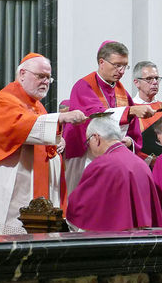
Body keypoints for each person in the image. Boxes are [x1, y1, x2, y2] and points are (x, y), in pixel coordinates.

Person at [0, 53, 86, 236]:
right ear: (22, 74)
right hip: (8, 182)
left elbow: (42, 132)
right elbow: (18, 126)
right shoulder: (3, 100)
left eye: (48, 78)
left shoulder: (37, 106)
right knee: (5, 235)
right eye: (41, 76)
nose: (45, 82)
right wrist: (60, 118)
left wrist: (58, 139)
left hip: (31, 185)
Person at [61, 41, 153, 195]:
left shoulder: (121, 91)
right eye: (117, 65)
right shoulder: (84, 86)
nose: (121, 71)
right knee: (83, 200)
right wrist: (131, 111)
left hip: (111, 156)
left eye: (125, 66)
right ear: (101, 62)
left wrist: (129, 141)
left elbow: (133, 129)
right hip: (85, 156)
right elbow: (96, 116)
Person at [66, 116, 162, 232]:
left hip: (112, 239)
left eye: (88, 142)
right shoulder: (141, 163)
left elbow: (79, 206)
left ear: (96, 138)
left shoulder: (101, 165)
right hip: (140, 239)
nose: (90, 148)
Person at [131, 60, 162, 158]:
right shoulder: (129, 110)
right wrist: (150, 160)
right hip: (139, 165)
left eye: (156, 78)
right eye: (149, 79)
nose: (155, 82)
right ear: (137, 82)